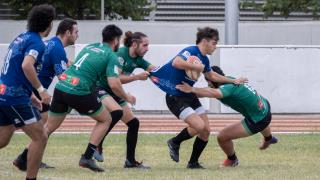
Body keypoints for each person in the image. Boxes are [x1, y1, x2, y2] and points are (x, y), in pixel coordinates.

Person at [149, 27, 247, 169]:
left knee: (206, 130)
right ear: (205, 41)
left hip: (189, 95)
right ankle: (174, 142)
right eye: (214, 43)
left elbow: (212, 76)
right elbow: (176, 62)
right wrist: (196, 67)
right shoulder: (192, 51)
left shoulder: (205, 60)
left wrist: (233, 80)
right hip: (175, 96)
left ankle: (193, 163)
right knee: (199, 126)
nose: (216, 46)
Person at [44, 24, 135, 172]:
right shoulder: (111, 55)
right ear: (116, 40)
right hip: (78, 89)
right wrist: (127, 97)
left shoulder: (90, 47)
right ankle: (87, 157)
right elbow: (114, 84)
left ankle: (24, 157)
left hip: (62, 86)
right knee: (106, 119)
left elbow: (78, 66)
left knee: (48, 127)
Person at [176, 66, 278, 167]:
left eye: (208, 81)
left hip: (260, 119)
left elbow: (212, 92)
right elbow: (208, 91)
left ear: (214, 79)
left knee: (222, 137)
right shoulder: (229, 80)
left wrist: (191, 89)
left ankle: (232, 160)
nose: (208, 85)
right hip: (265, 106)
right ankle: (268, 138)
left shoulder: (227, 88)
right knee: (258, 115)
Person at [13, 18, 79, 171]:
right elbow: (62, 77)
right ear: (68, 32)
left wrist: (70, 63)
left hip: (31, 88)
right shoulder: (58, 48)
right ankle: (25, 159)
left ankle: (25, 159)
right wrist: (81, 81)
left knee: (42, 128)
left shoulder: (52, 43)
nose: (77, 36)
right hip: (34, 91)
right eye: (76, 32)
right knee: (38, 129)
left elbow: (58, 61)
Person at [0, 4, 55, 180]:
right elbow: (26, 65)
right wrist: (41, 90)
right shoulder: (37, 42)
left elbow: (15, 68)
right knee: (41, 137)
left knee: (2, 139)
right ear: (48, 24)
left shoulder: (21, 37)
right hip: (14, 96)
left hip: (4, 92)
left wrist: (30, 95)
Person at [93, 31, 156, 169]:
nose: (147, 48)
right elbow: (117, 78)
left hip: (115, 92)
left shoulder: (138, 58)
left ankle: (130, 162)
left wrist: (172, 74)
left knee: (133, 123)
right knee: (116, 113)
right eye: (145, 45)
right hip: (101, 88)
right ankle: (97, 144)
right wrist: (136, 77)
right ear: (134, 44)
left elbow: (155, 69)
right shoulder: (120, 54)